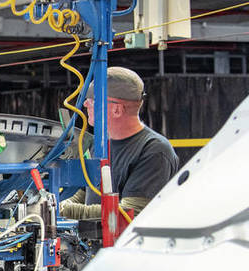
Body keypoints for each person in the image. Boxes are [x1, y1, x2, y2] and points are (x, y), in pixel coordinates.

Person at [60, 66, 178, 220]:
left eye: (92, 100)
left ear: (116, 110)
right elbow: (85, 192)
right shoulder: (99, 144)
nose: (85, 104)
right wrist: (53, 205)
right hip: (95, 242)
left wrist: (60, 210)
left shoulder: (154, 151)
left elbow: (128, 213)